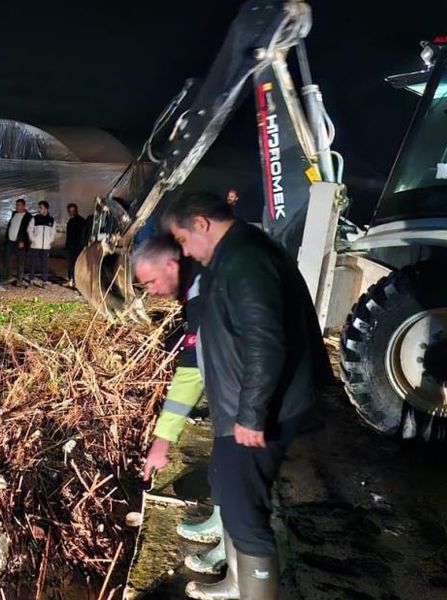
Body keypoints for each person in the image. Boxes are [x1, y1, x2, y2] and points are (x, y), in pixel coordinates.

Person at [162, 191, 330, 600]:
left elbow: (264, 340)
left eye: (184, 240)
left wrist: (252, 415)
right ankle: (237, 585)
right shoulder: (236, 255)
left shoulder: (245, 259)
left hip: (262, 407)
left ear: (202, 223)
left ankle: (252, 590)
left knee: (243, 510)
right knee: (233, 497)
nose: (186, 251)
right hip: (244, 400)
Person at [132, 236, 226, 576]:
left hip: (258, 396)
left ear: (171, 265)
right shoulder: (200, 281)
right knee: (223, 466)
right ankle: (219, 521)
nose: (152, 292)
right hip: (238, 391)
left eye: (151, 282)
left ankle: (238, 566)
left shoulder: (206, 290)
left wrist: (162, 440)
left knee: (240, 477)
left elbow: (191, 369)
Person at [4, 198, 32, 287]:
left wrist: (23, 241)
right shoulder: (14, 214)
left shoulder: (28, 216)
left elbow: (27, 230)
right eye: (16, 205)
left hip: (20, 243)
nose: (17, 207)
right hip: (10, 241)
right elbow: (11, 226)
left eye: (19, 205)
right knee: (8, 259)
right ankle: (9, 276)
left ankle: (19, 279)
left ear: (24, 206)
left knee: (20, 261)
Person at [28, 200, 55, 286]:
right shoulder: (35, 218)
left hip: (46, 247)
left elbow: (53, 232)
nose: (39, 209)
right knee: (33, 264)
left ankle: (44, 281)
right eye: (39, 207)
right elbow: (29, 229)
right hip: (35, 246)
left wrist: (49, 241)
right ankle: (31, 280)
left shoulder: (51, 220)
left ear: (46, 208)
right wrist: (33, 239)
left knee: (45, 265)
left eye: (41, 207)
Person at [65, 203, 87, 287]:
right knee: (75, 264)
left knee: (72, 264)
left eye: (72, 211)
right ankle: (74, 281)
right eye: (70, 211)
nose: (71, 213)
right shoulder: (81, 221)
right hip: (76, 246)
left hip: (75, 246)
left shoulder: (74, 221)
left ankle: (73, 280)